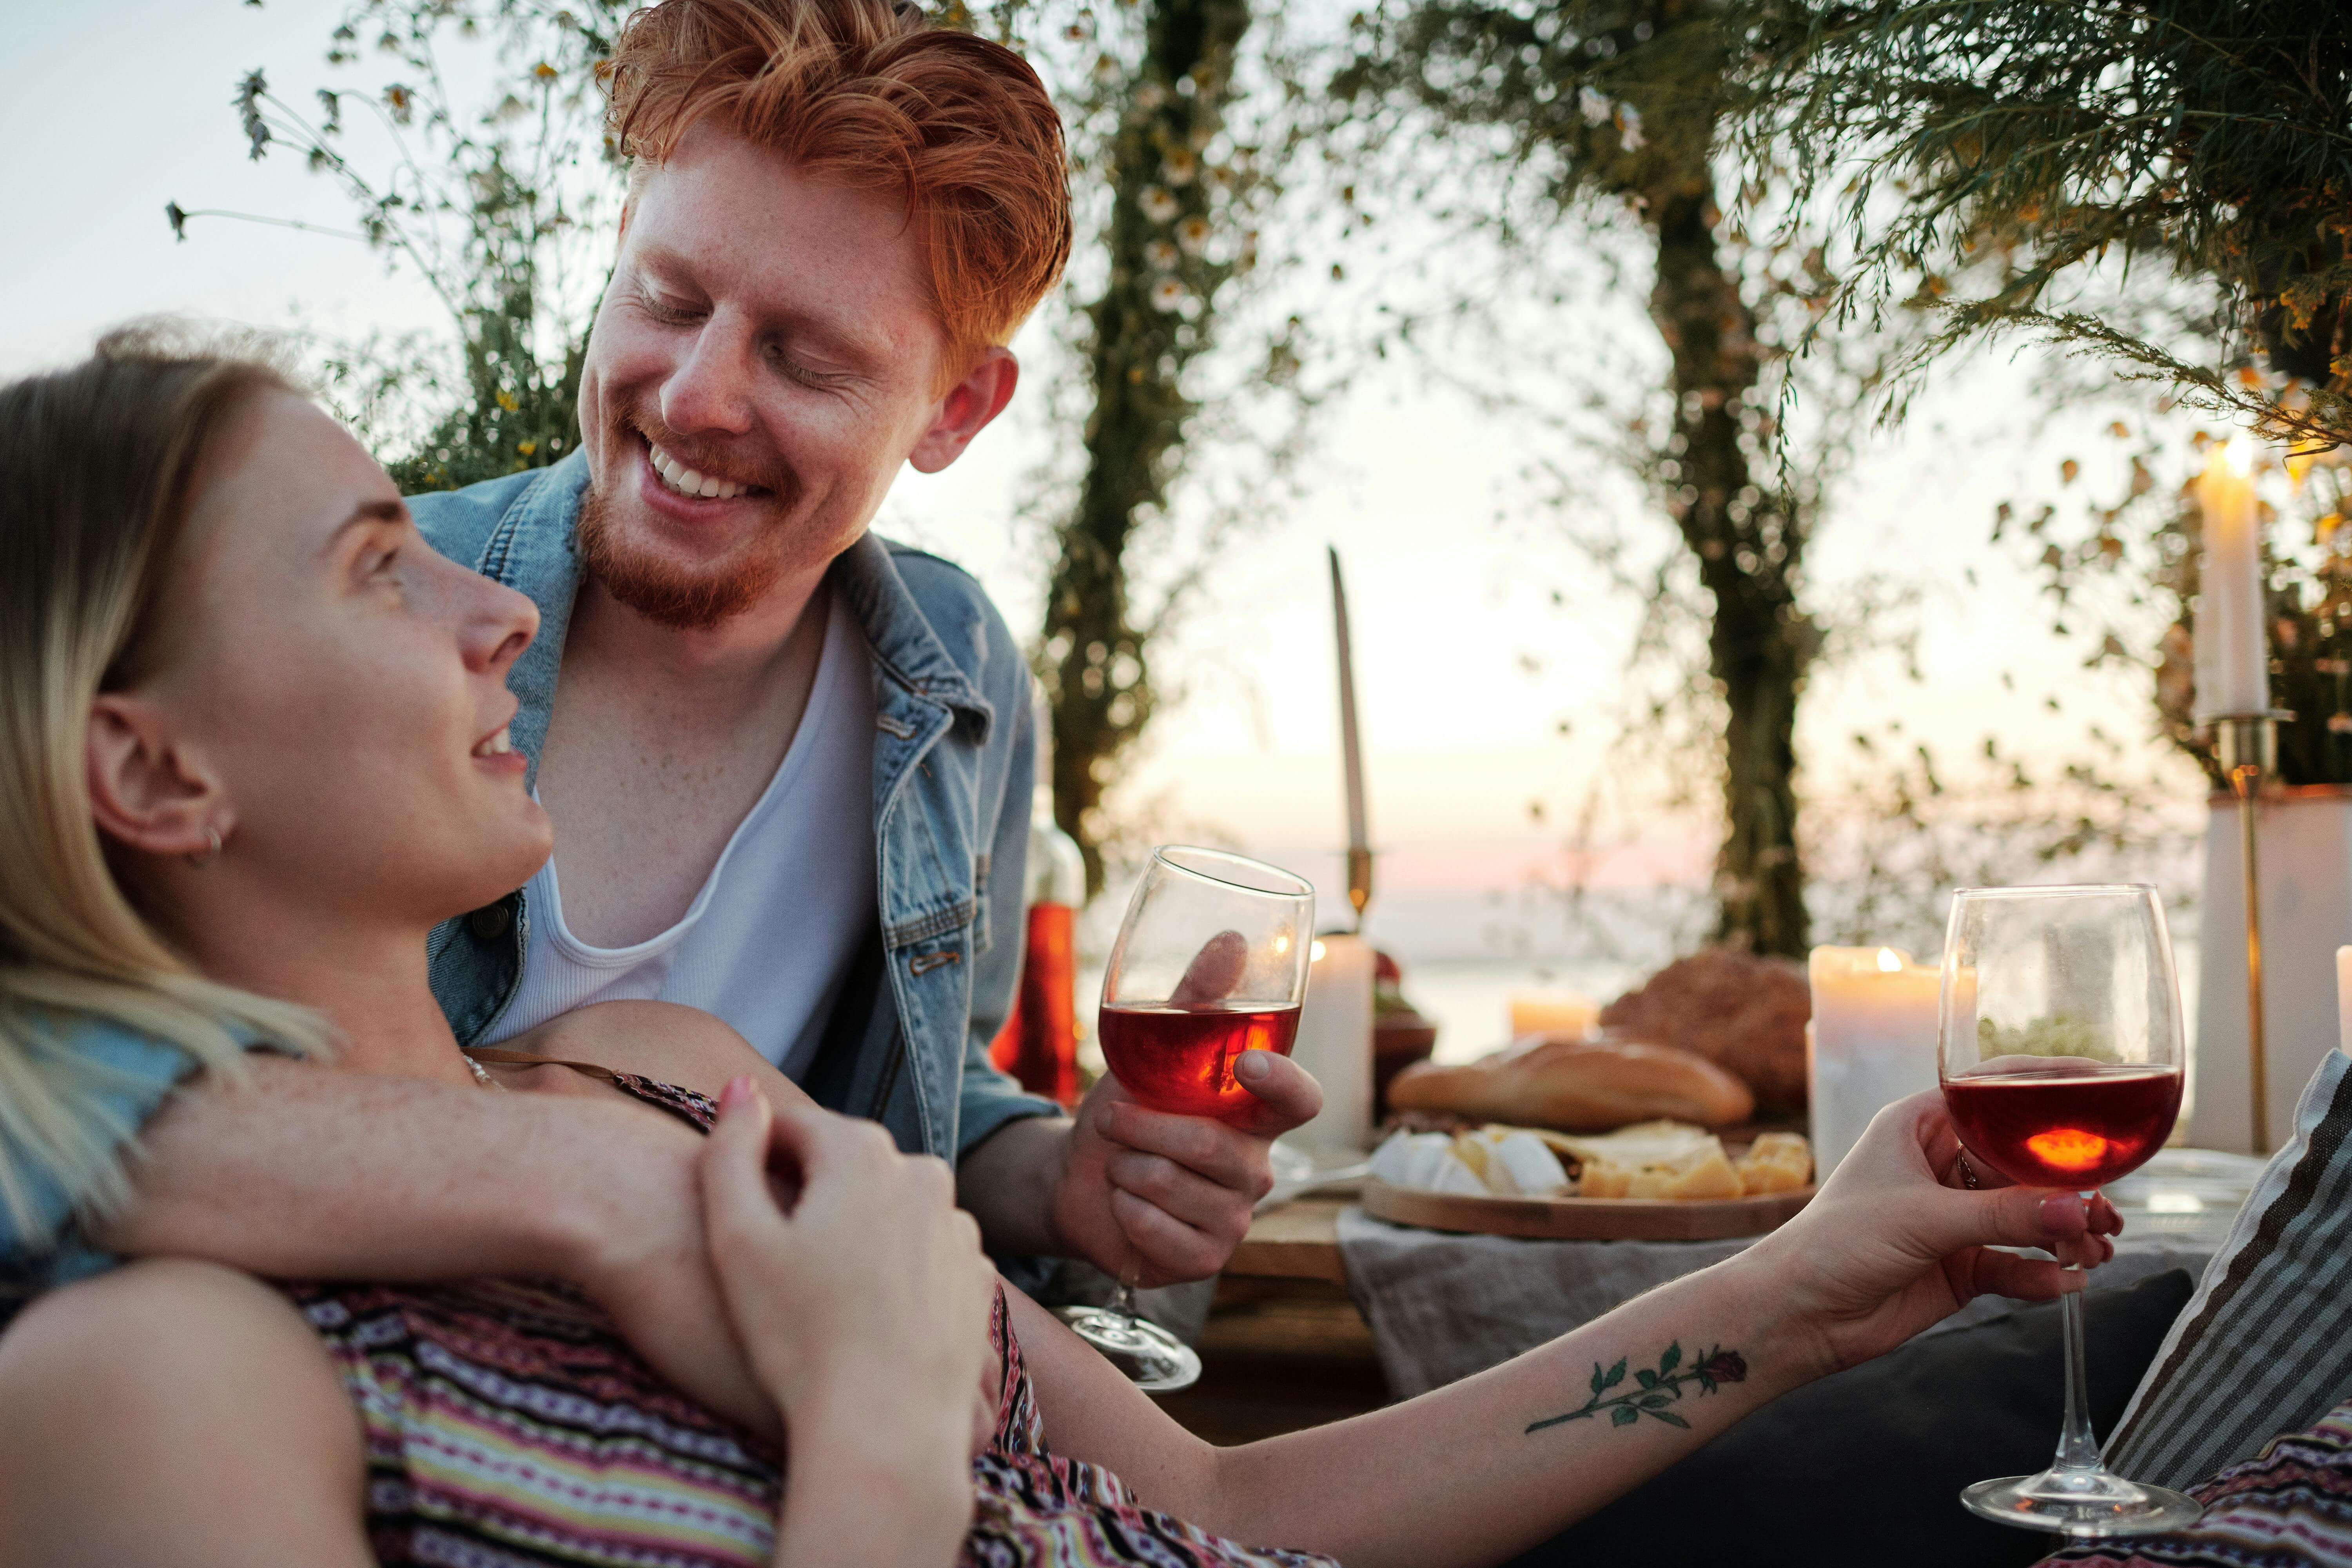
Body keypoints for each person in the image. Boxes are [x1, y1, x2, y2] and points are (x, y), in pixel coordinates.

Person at [0, 328, 2124, 1568]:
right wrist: (874, 1432)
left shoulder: (673, 1077)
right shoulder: (153, 1390)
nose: (500, 605)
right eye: (382, 570)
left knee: (2168, 1386)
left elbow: (1219, 1498)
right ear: (154, 773)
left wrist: (1795, 1288)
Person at [0, 0, 1319, 1307]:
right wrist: (576, 1176)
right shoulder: (363, 628)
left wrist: (1062, 1180)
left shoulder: (959, 673)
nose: (695, 395)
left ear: (957, 408)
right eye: (669, 298)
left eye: (804, 360)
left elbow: (917, 1098)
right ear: (622, 245)